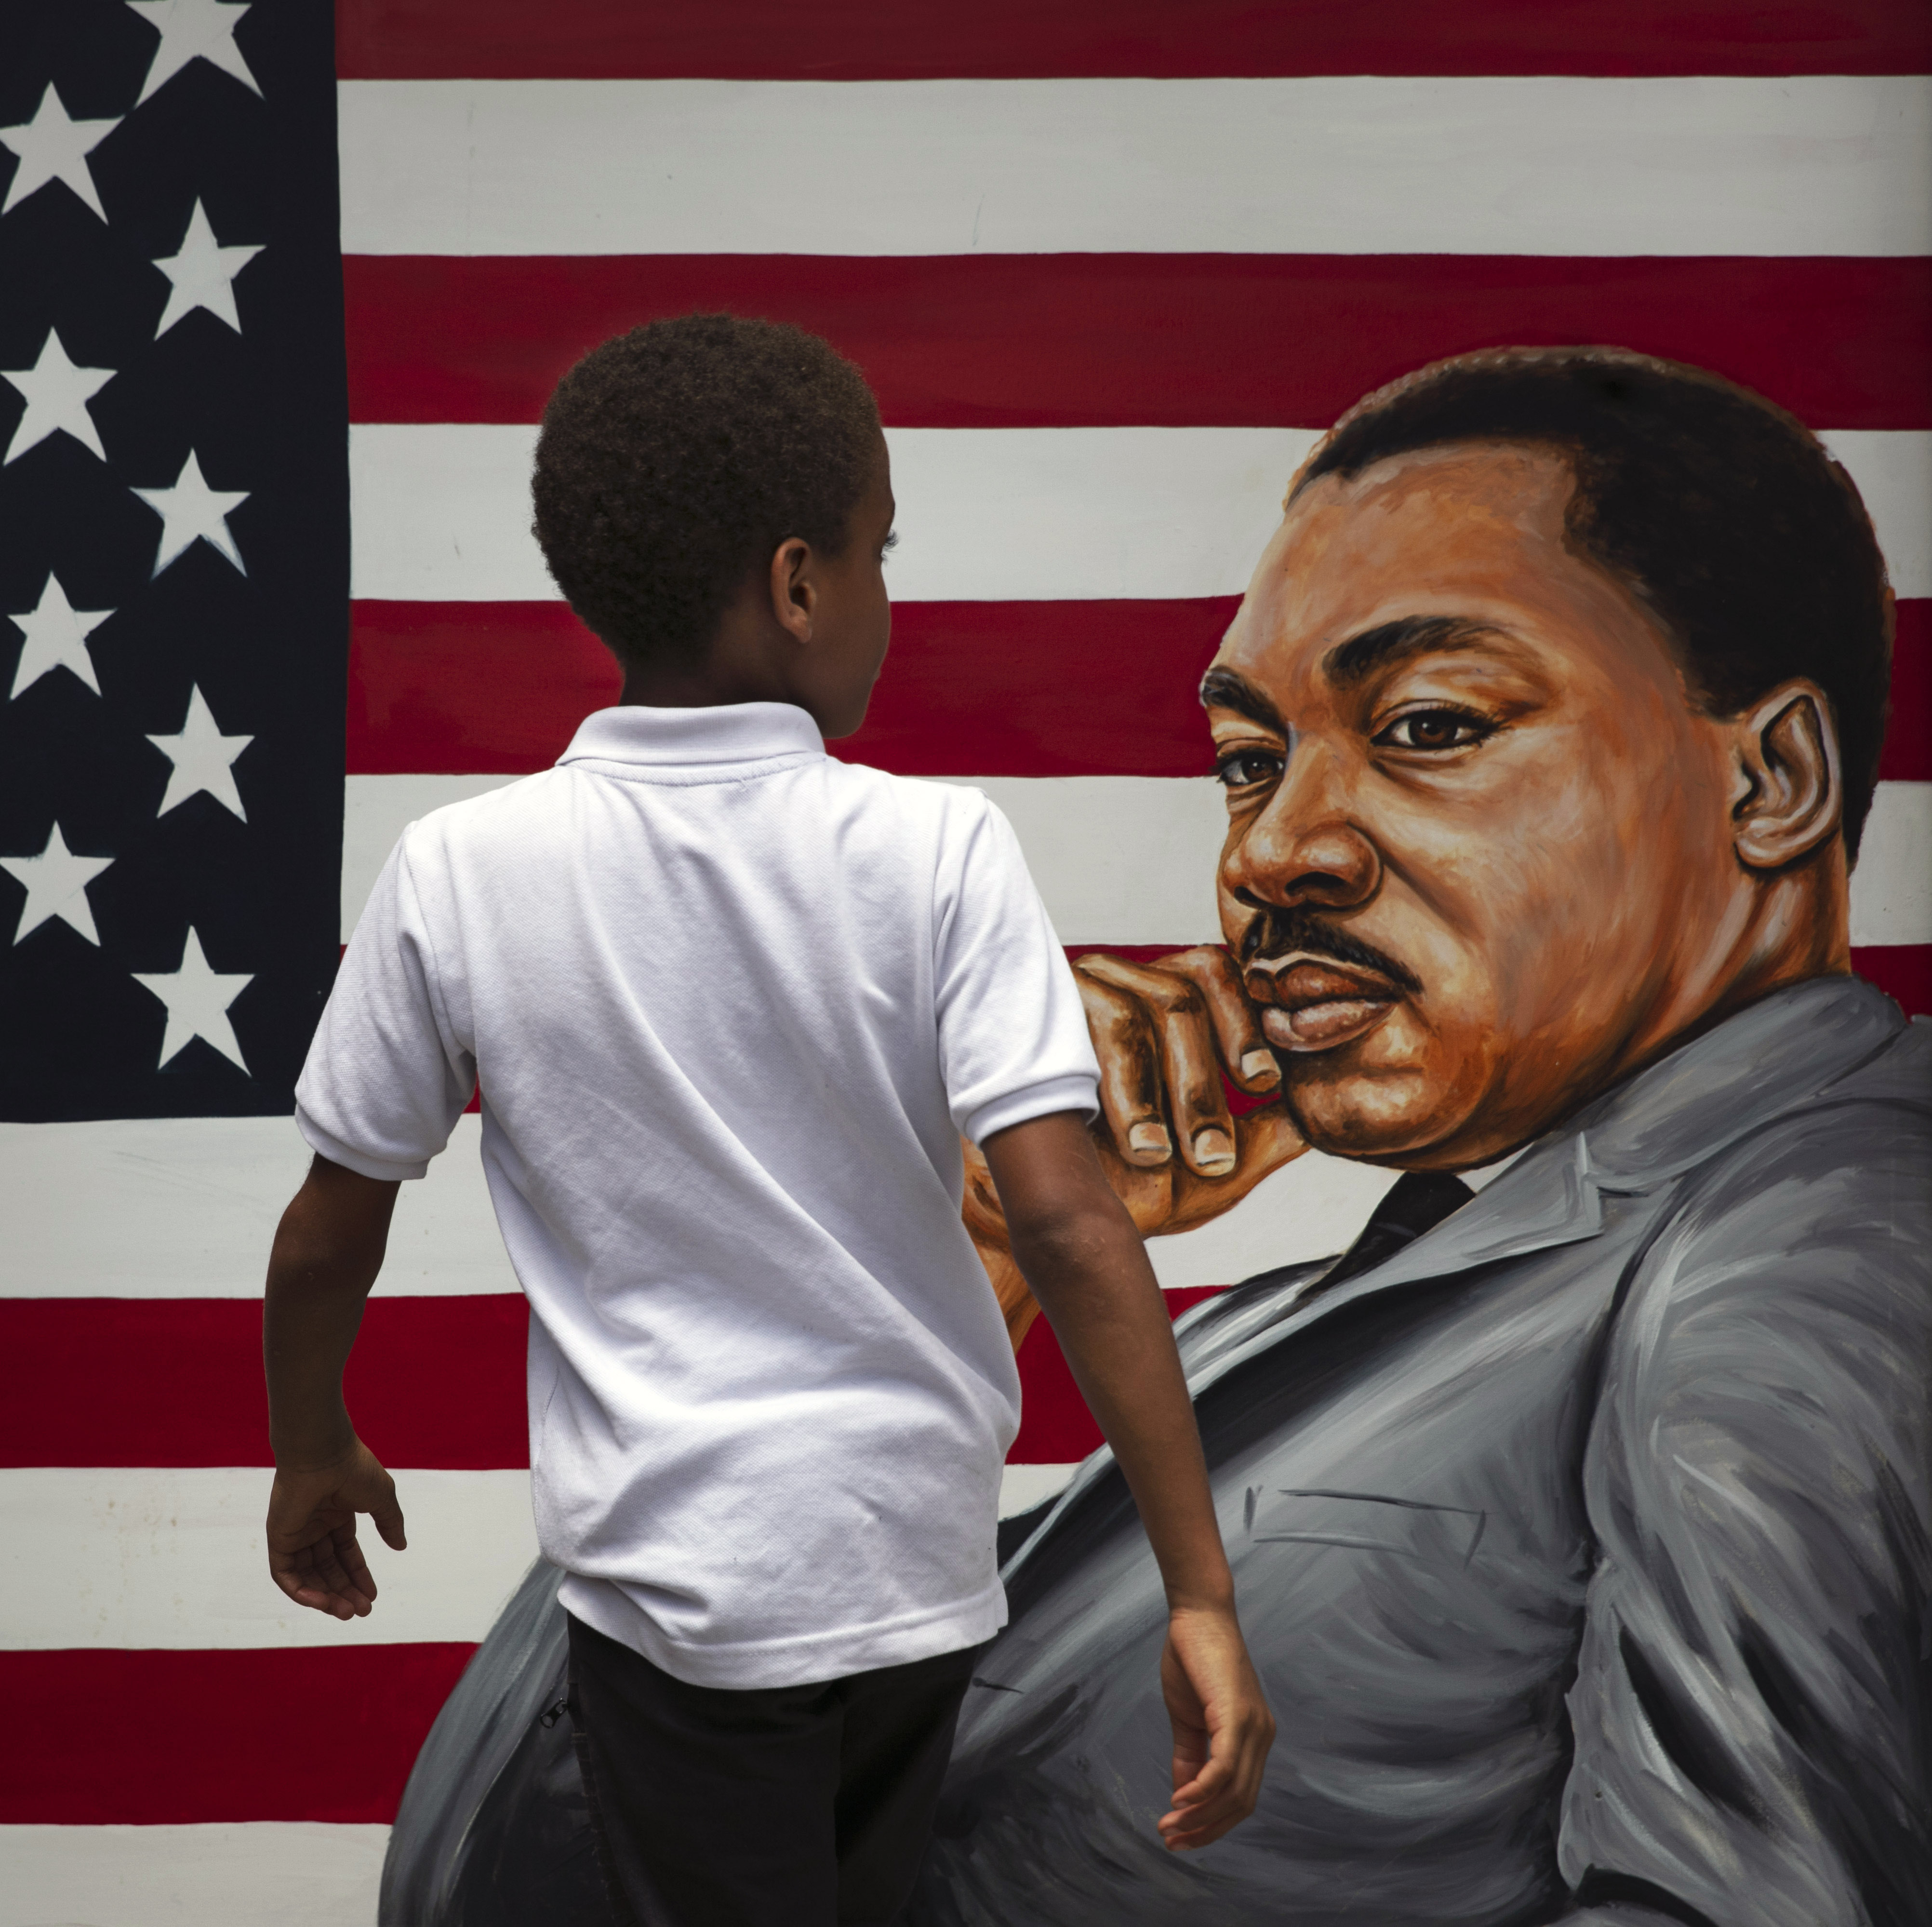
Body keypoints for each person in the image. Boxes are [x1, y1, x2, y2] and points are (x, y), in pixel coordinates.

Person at [386, 347, 1930, 1927]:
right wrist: (954, 1247)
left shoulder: (1810, 1237)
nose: (1272, 851)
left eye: (1429, 723)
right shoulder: (1351, 1304)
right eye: (1249, 762)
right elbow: (508, 1880)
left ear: (1774, 782)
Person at [261, 315, 1272, 1927]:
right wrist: (1199, 1590)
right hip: (913, 1567)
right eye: (881, 552)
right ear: (799, 585)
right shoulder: (938, 848)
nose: (888, 595)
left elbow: (332, 1225)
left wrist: (310, 1438)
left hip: (679, 1586)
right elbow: (1072, 1226)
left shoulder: (461, 869)